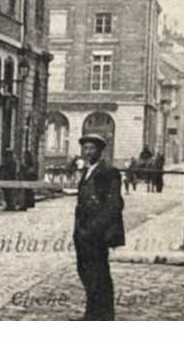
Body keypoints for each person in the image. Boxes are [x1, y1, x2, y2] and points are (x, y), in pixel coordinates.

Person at [73, 133, 125, 320]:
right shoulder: (88, 171)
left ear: (100, 151)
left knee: (98, 275)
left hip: (96, 235)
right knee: (87, 273)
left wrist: (95, 229)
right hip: (83, 233)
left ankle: (102, 316)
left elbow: (114, 204)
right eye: (85, 148)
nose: (88, 152)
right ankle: (93, 313)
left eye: (92, 148)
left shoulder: (108, 172)